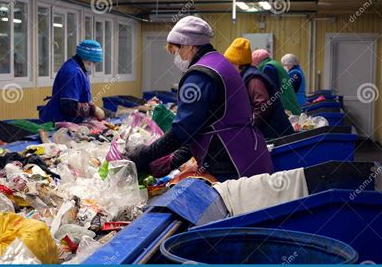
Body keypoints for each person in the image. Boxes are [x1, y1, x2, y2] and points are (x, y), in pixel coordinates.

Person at [126, 16, 273, 182]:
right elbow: (199, 128)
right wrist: (173, 161)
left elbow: (182, 131)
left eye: (177, 51)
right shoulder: (219, 63)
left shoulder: (200, 74)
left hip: (231, 161)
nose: (177, 58)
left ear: (189, 45)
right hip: (247, 154)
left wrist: (145, 155)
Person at [224, 38, 294, 139]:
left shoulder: (253, 78)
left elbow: (262, 105)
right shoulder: (248, 75)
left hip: (276, 136)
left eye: (230, 64)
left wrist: (249, 127)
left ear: (238, 63)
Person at [39, 40, 105, 123]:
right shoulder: (73, 72)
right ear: (87, 59)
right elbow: (68, 106)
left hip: (71, 121)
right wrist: (94, 110)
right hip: (59, 122)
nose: (94, 66)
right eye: (94, 62)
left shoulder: (80, 69)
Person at [252, 49, 301, 116]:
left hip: (285, 105)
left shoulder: (268, 68)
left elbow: (272, 90)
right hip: (289, 101)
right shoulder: (274, 63)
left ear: (257, 61)